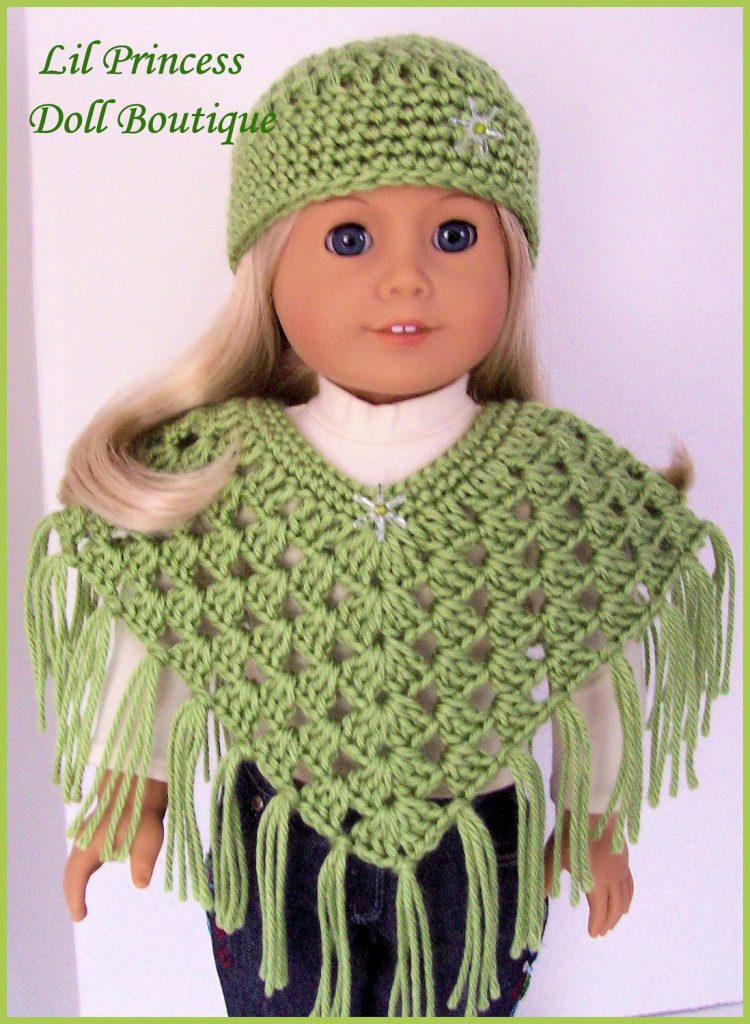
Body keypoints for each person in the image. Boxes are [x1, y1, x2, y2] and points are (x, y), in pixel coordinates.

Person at [24, 34, 735, 1018]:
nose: (406, 279)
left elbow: (595, 657)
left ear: (513, 261)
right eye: (351, 240)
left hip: (476, 840)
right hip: (273, 832)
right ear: (268, 269)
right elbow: (171, 629)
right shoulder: (224, 464)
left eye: (454, 236)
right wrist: (134, 785)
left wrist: (594, 818)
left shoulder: (548, 476)